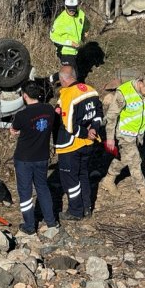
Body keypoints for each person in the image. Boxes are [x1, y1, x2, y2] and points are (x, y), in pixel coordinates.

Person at [100, 74, 145, 206]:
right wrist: (110, 138)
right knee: (135, 159)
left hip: (138, 133)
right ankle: (143, 190)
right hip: (124, 133)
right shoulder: (124, 92)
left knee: (125, 157)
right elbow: (111, 116)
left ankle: (108, 179)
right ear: (141, 84)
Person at [54, 65, 103, 221]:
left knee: (70, 179)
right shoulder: (91, 90)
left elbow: (69, 125)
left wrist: (84, 133)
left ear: (63, 79)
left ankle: (75, 211)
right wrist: (94, 129)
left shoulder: (69, 94)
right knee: (83, 175)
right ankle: (87, 207)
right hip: (88, 144)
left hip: (71, 145)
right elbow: (99, 113)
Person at [10, 81, 57, 235]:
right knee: (43, 188)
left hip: (24, 159)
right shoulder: (49, 110)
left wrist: (14, 131)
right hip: (42, 157)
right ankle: (51, 221)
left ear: (24, 96)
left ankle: (29, 226)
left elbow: (14, 129)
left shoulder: (22, 115)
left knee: (25, 192)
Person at [50, 0, 86, 73]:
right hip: (65, 51)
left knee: (74, 73)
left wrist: (85, 30)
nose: (72, 11)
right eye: (70, 9)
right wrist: (70, 43)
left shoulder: (80, 13)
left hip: (77, 50)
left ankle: (49, 80)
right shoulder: (60, 20)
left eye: (74, 8)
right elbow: (53, 36)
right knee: (72, 74)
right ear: (65, 7)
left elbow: (85, 23)